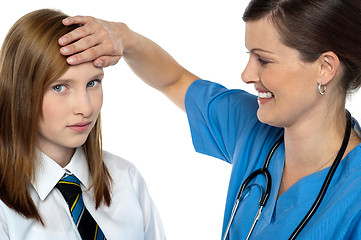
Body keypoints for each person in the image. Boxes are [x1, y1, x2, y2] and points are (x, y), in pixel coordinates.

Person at [58, 0, 361, 239]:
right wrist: (125, 38)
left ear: (325, 68)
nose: (246, 75)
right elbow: (174, 80)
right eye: (249, 56)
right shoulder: (252, 127)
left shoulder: (354, 197)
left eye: (264, 60)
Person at [0, 9, 165, 240]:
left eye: (92, 82)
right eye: (60, 87)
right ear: (19, 92)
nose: (86, 108)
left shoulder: (126, 179)